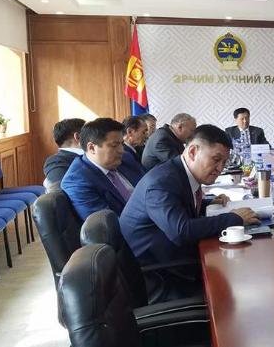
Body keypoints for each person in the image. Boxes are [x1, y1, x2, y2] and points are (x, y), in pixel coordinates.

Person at [120, 124, 258, 296]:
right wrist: (234, 218)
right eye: (216, 160)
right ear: (192, 152)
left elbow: (178, 205)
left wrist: (207, 202)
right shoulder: (162, 183)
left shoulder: (178, 172)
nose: (220, 168)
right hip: (162, 276)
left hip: (172, 259)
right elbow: (181, 231)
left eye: (224, 162)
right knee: (242, 281)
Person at [61, 118, 145, 221]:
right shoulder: (77, 181)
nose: (121, 150)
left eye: (121, 144)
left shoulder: (125, 158)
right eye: (114, 145)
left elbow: (148, 185)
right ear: (92, 148)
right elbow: (107, 224)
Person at [43, 118, 85, 193]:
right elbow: (58, 193)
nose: (94, 137)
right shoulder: (56, 162)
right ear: (77, 137)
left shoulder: (95, 154)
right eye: (89, 134)